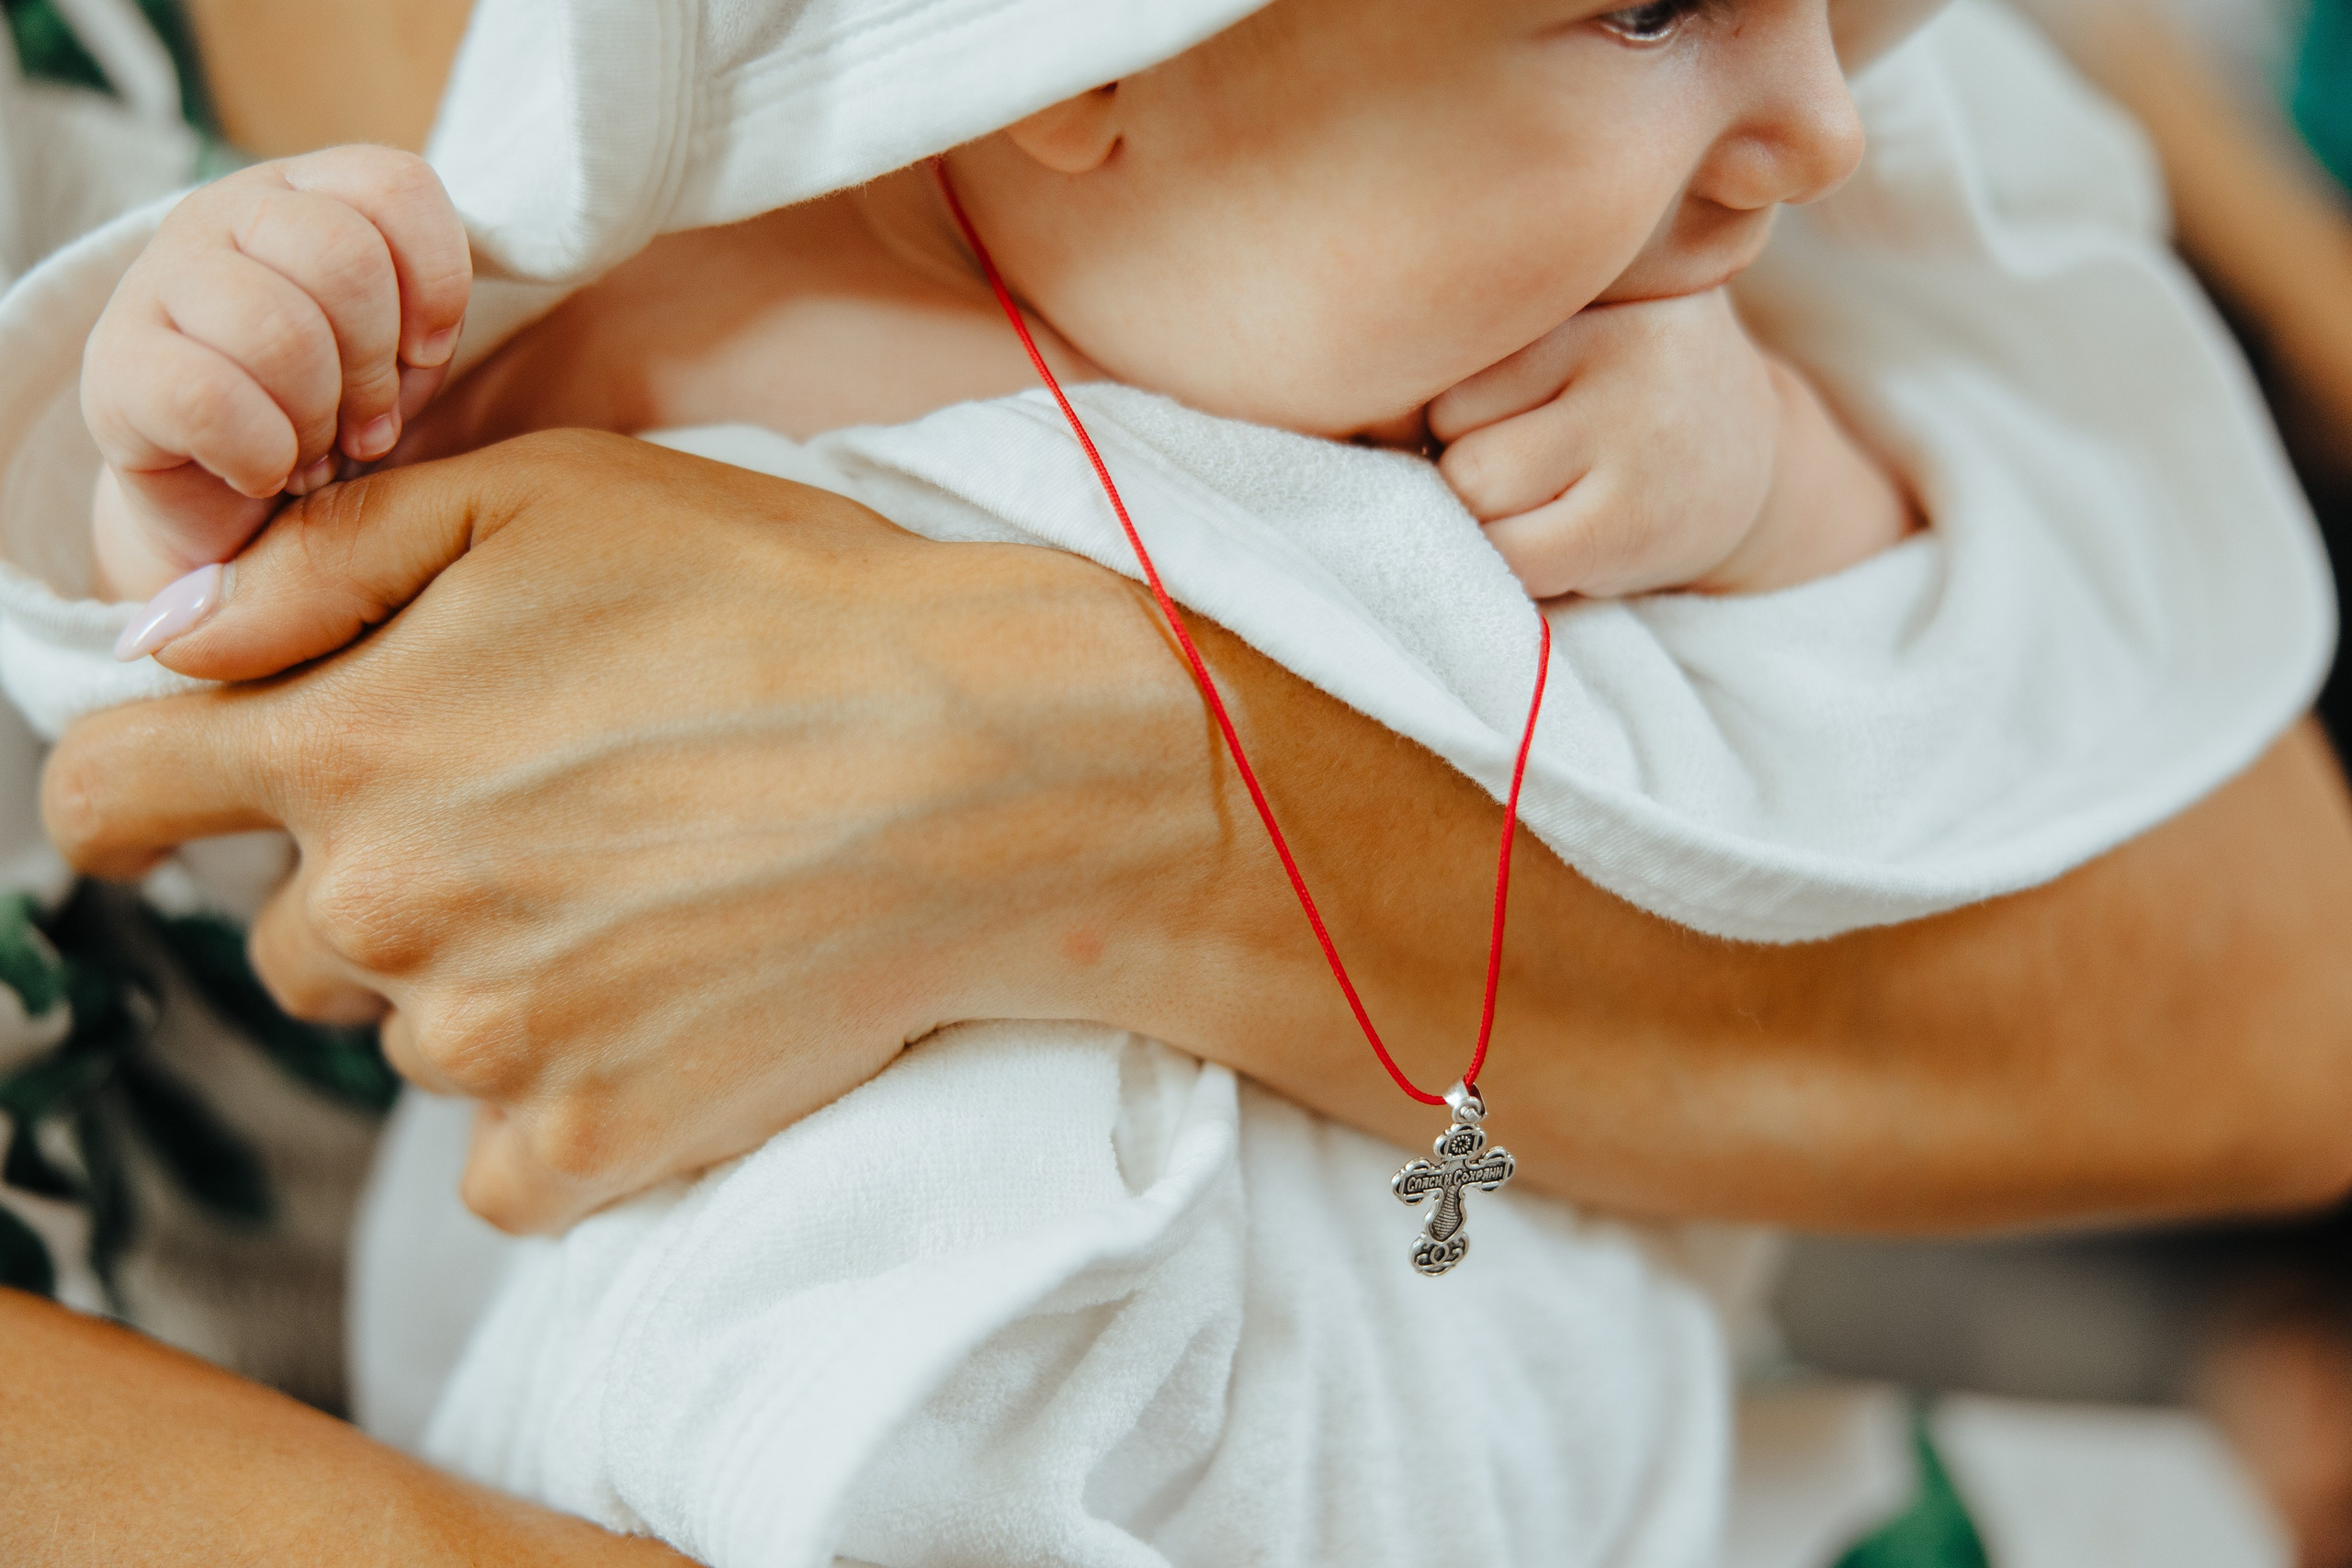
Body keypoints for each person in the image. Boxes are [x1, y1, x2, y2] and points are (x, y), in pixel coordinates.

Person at [3, 0, 2350, 1562]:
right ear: (1074, 50)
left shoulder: (1587, 351)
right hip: (746, 1417)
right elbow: (238, 676)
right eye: (1650, 5)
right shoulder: (677, 308)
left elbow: (1957, 722)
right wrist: (233, 401)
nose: (1817, 126)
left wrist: (1765, 482)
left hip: (1477, 1435)